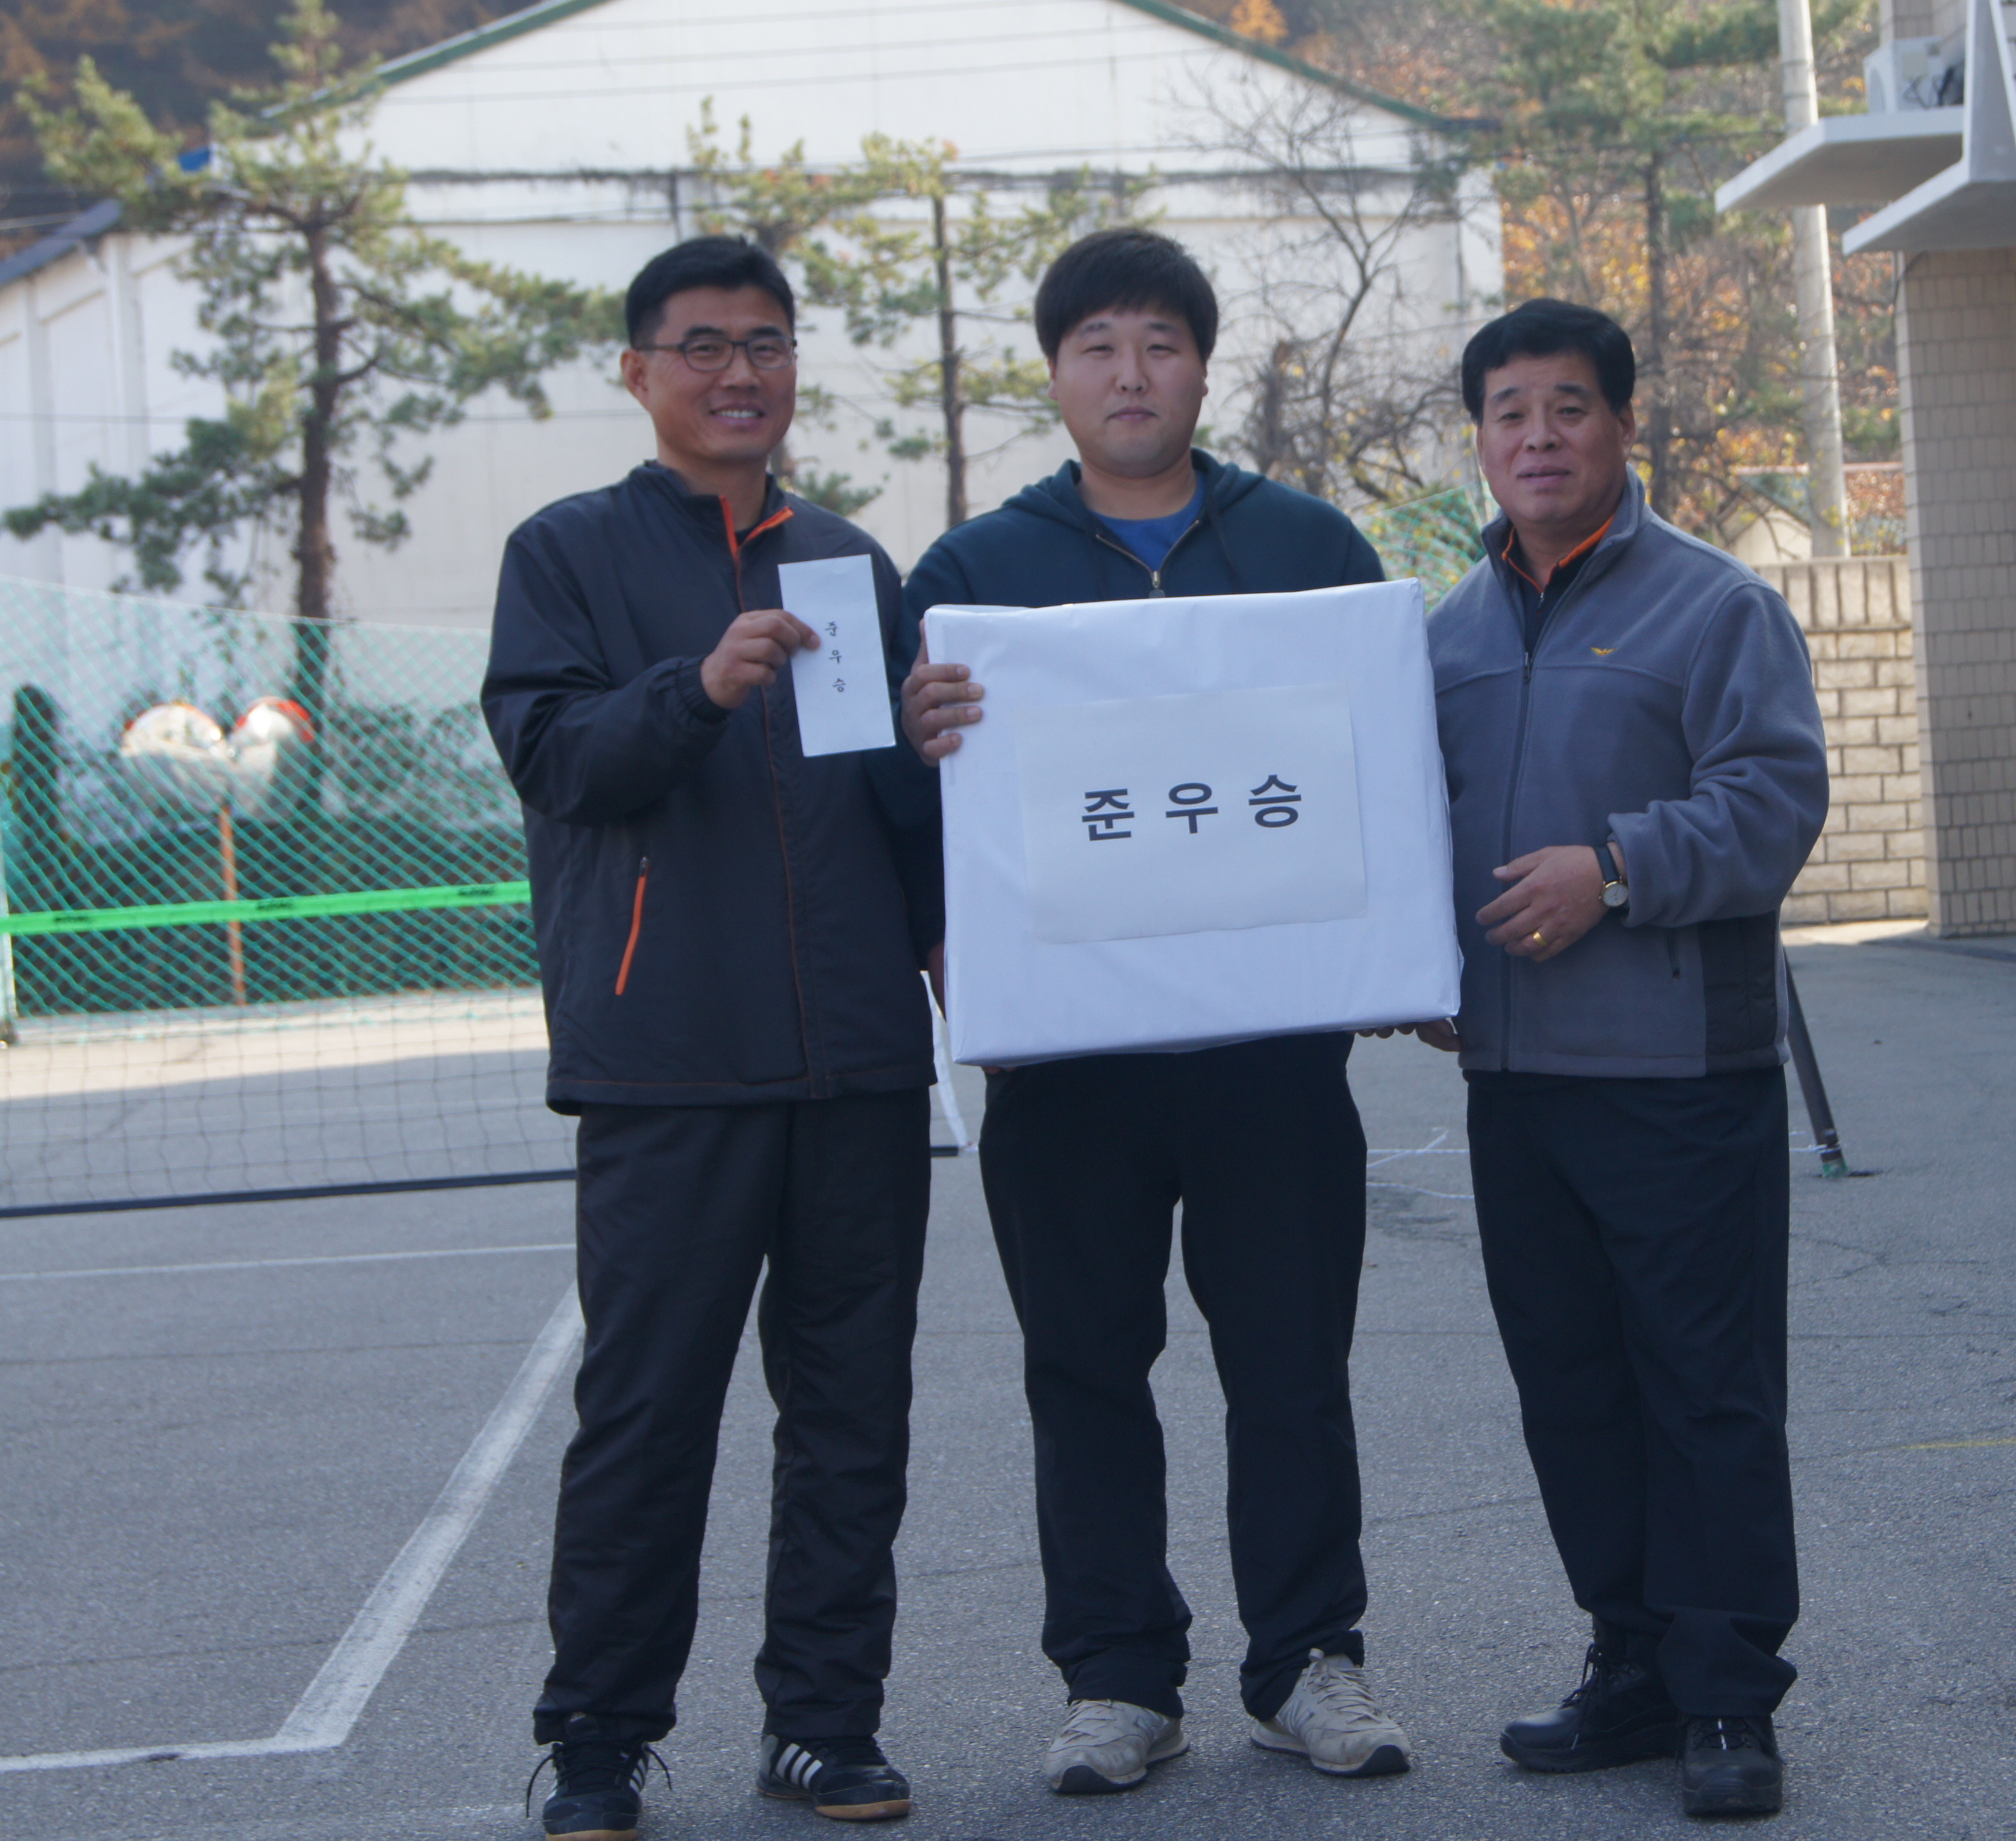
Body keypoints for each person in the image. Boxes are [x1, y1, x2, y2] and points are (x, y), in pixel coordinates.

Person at [895, 227, 1410, 1796]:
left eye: (1161, 345)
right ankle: (1117, 1681)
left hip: (1272, 1059)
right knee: (1084, 1373)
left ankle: (1308, 1661)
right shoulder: (972, 578)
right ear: (1054, 375)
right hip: (1067, 1070)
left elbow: (1388, 765)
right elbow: (914, 825)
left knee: (1292, 1368)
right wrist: (920, 759)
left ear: (1202, 367)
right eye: (1098, 347)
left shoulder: (1309, 545)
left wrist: (1404, 948)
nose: (1132, 374)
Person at [483, 235, 944, 1840]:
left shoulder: (849, 562)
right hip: (668, 1058)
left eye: (766, 343)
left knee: (852, 1416)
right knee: (648, 1414)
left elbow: (893, 810)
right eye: (703, 346)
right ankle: (597, 1740)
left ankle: (824, 1724)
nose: (739, 372)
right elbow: (560, 760)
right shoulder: (567, 553)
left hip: (859, 1063)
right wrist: (699, 684)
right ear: (639, 372)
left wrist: (933, 744)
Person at [1417, 298, 1828, 1819]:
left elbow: (1774, 801)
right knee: (1573, 1388)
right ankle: (1635, 1661)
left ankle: (1727, 1696)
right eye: (1509, 412)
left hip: (1678, 1073)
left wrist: (1612, 868)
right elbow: (1402, 824)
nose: (1538, 437)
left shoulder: (1714, 608)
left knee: (1705, 1390)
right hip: (1513, 1080)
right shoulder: (1446, 633)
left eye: (1569, 407)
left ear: (1623, 425)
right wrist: (1415, 966)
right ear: (1479, 439)